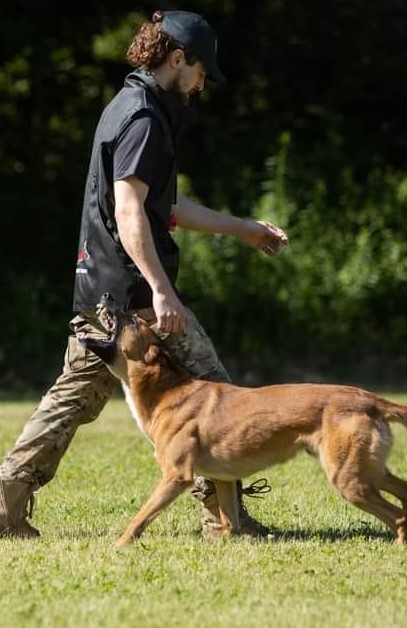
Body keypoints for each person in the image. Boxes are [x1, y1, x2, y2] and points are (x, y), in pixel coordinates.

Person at [0, 10, 288, 539]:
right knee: (218, 396)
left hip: (97, 288)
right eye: (201, 72)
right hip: (132, 298)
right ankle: (224, 519)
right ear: (178, 58)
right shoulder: (145, 120)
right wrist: (160, 290)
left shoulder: (126, 106)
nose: (201, 85)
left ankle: (4, 506)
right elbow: (130, 211)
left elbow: (165, 207)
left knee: (70, 400)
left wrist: (242, 229)